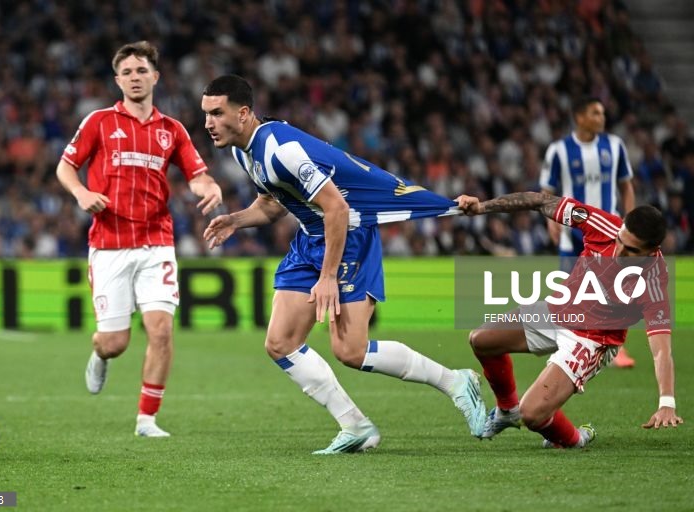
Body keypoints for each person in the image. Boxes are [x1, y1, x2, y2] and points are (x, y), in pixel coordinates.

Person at [200, 74, 486, 454]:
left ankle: (455, 381)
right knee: (280, 343)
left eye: (217, 113)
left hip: (347, 236)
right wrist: (236, 220)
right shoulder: (244, 151)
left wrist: (328, 276)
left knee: (351, 350)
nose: (208, 123)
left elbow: (338, 208)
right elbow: (272, 203)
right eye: (206, 114)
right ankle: (356, 426)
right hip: (311, 236)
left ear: (243, 113)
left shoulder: (281, 150)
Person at [56, 41, 222, 437]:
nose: (135, 77)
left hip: (156, 242)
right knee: (114, 343)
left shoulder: (172, 130)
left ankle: (147, 419)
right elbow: (65, 166)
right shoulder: (99, 121)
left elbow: (197, 174)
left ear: (155, 77)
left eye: (141, 70)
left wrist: (209, 186)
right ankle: (100, 354)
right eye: (127, 72)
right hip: (109, 244)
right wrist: (81, 193)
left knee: (161, 330)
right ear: (118, 80)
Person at [456, 191, 683, 448]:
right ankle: (507, 410)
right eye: (620, 240)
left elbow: (661, 350)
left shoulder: (653, 282)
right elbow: (540, 201)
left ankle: (576, 438)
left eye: (632, 250)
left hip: (593, 339)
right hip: (558, 310)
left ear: (652, 251)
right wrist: (482, 207)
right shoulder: (602, 224)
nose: (619, 251)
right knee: (481, 340)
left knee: (532, 414)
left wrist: (667, 402)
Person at [540, 96, 637, 368]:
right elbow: (547, 191)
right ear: (579, 117)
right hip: (572, 231)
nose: (601, 118)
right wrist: (551, 222)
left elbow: (626, 186)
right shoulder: (559, 150)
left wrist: (629, 222)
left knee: (614, 289)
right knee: (569, 290)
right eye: (595, 113)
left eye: (602, 113)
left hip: (608, 232)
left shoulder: (615, 146)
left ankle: (616, 347)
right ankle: (564, 343)